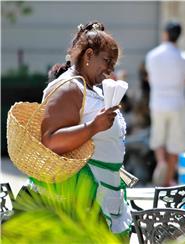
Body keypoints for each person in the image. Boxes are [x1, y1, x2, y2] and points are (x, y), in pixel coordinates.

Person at [35, 21, 132, 240]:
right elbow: (50, 141)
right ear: (88, 55)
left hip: (105, 189)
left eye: (113, 64)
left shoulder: (92, 88)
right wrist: (93, 127)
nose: (110, 70)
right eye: (107, 61)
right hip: (80, 195)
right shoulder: (68, 87)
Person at [146, 21, 185, 186]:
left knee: (158, 138)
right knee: (175, 144)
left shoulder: (152, 55)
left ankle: (161, 162)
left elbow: (150, 78)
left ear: (165, 34)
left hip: (158, 102)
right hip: (177, 103)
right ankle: (168, 179)